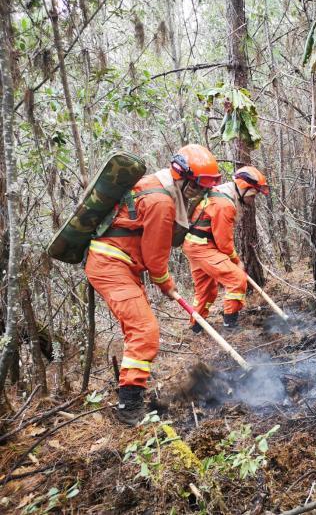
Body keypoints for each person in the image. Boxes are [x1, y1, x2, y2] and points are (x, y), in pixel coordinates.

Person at [85, 144, 221, 426]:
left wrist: (162, 281)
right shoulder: (161, 201)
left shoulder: (158, 187)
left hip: (120, 265)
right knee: (145, 330)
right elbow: (155, 258)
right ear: (181, 177)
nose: (199, 195)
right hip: (111, 266)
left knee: (137, 330)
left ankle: (131, 389)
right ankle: (129, 408)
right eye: (196, 188)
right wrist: (165, 283)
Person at [183, 166, 269, 333]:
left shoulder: (224, 194)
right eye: (253, 195)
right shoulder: (224, 204)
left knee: (207, 290)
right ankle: (231, 325)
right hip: (202, 247)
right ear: (243, 188)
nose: (253, 200)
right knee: (237, 279)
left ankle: (196, 326)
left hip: (195, 245)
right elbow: (224, 242)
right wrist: (236, 261)